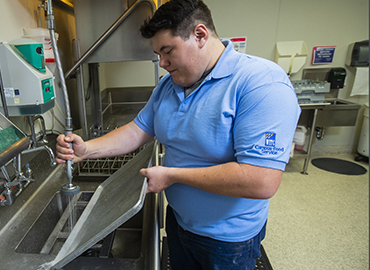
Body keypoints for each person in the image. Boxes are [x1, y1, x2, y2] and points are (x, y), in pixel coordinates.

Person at [56, 0, 301, 269]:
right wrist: (87, 149)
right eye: (158, 54)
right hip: (178, 222)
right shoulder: (168, 86)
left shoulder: (260, 83)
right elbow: (138, 130)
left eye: (168, 51)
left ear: (200, 35)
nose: (162, 63)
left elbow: (261, 181)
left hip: (227, 240)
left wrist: (172, 175)